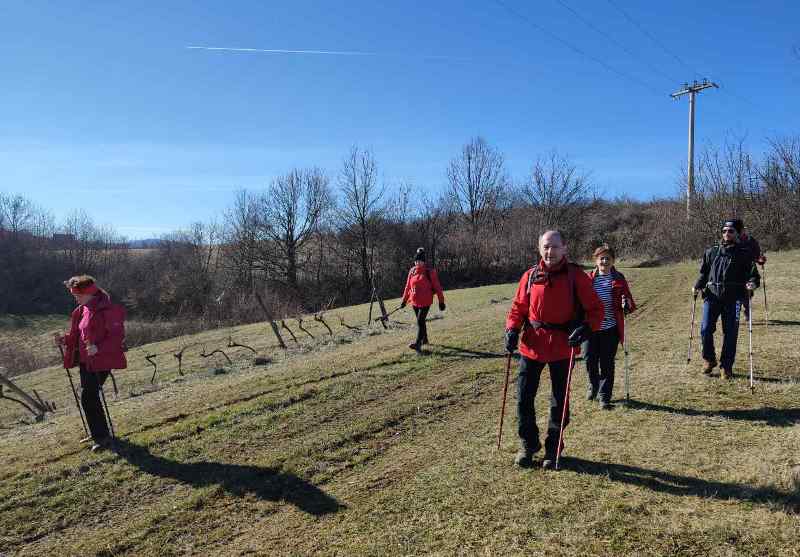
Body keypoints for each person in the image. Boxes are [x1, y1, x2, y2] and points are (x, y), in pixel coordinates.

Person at [505, 230, 604, 469]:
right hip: (532, 344)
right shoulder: (530, 276)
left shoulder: (576, 276)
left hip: (563, 346)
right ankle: (528, 445)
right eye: (546, 247)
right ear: (540, 249)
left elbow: (595, 310)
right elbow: (519, 307)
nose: (550, 252)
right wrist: (511, 329)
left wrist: (586, 329)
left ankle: (553, 448)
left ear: (565, 248)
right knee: (523, 398)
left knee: (559, 401)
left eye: (555, 247)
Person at [54, 275, 126, 451]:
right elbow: (78, 337)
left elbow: (117, 337)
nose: (75, 298)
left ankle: (102, 438)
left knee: (88, 396)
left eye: (77, 295)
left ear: (89, 293)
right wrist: (64, 340)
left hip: (102, 360)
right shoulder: (82, 310)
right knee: (87, 396)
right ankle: (97, 434)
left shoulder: (107, 310)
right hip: (86, 361)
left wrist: (98, 348)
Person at [693, 220, 760, 380]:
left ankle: (726, 366)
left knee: (730, 333)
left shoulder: (744, 253)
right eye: (724, 231)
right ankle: (709, 359)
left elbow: (754, 275)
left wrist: (752, 284)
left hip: (734, 298)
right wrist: (697, 286)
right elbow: (704, 273)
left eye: (730, 231)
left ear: (737, 234)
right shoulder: (712, 251)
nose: (726, 234)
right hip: (712, 296)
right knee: (705, 329)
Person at [585, 244, 637, 409]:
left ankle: (604, 396)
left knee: (607, 363)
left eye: (608, 258)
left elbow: (630, 303)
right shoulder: (588, 279)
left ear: (613, 260)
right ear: (596, 260)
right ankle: (593, 384)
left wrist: (625, 304)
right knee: (589, 361)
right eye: (602, 258)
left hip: (610, 329)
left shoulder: (619, 279)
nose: (605, 261)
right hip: (590, 329)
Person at [400, 248, 446, 353]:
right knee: (421, 322)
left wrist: (441, 301)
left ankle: (418, 343)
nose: (417, 263)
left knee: (420, 321)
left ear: (424, 261)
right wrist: (404, 301)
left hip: (426, 301)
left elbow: (438, 287)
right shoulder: (412, 271)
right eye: (416, 261)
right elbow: (407, 287)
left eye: (419, 261)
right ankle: (424, 340)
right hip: (414, 302)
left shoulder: (430, 272)